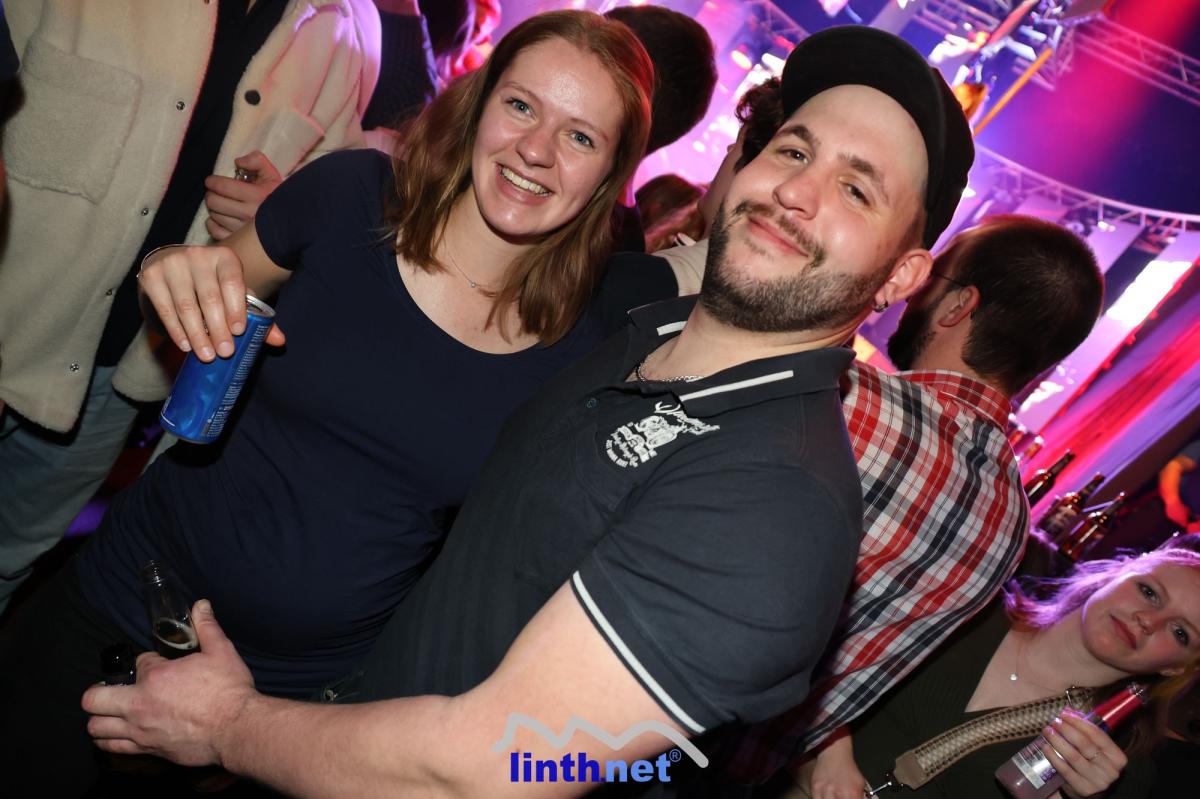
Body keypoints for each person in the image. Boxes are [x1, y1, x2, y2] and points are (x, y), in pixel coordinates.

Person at [82, 25, 967, 798]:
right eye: (795, 151)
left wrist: (232, 725)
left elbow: (504, 766)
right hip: (288, 707)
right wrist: (174, 262)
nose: (799, 193)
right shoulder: (634, 331)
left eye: (859, 190)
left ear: (902, 276)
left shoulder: (777, 508)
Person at [0, 9, 651, 794]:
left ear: (610, 173)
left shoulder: (584, 346)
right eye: (520, 105)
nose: (536, 149)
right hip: (127, 604)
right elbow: (197, 294)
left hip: (293, 705)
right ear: (479, 104)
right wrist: (171, 270)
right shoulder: (353, 197)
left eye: (580, 136)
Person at [0, 0, 381, 617]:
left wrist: (284, 209)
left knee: (9, 559)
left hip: (121, 379)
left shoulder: (347, 27)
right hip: (12, 316)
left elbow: (329, 203)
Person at [788, 547, 1200, 798]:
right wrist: (830, 752)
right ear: (1113, 577)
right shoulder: (969, 607)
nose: (1149, 620)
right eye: (1149, 592)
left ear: (1175, 667)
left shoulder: (1119, 767)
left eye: (1180, 632)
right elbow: (816, 653)